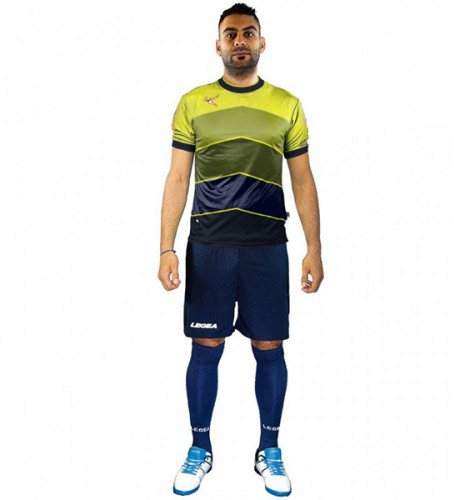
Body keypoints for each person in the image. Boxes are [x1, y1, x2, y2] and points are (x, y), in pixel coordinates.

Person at [158, 3, 323, 496]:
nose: (240, 41)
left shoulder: (287, 105)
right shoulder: (193, 103)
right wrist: (165, 248)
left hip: (266, 248)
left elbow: (302, 178)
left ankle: (269, 449)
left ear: (261, 42)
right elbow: (177, 177)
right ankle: (199, 448)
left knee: (269, 348)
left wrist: (314, 247)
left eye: (248, 33)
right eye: (230, 34)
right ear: (218, 45)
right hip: (209, 246)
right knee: (205, 347)